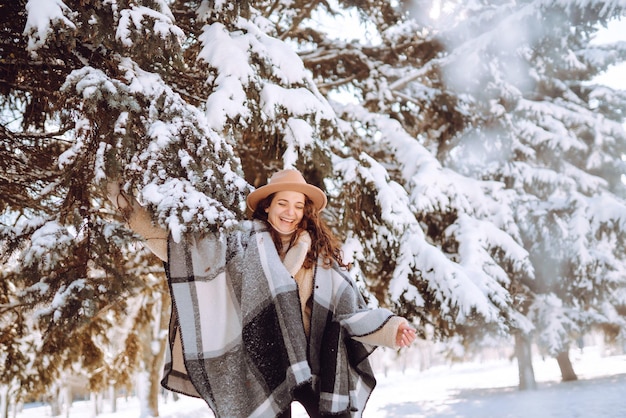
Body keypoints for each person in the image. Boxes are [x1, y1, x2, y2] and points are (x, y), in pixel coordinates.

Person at [107, 169, 416, 418]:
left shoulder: (319, 257)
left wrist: (392, 328)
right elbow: (181, 250)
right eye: (283, 203)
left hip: (312, 363)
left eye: (298, 206)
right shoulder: (241, 245)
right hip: (263, 360)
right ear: (268, 205)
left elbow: (351, 312)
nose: (290, 213)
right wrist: (129, 209)